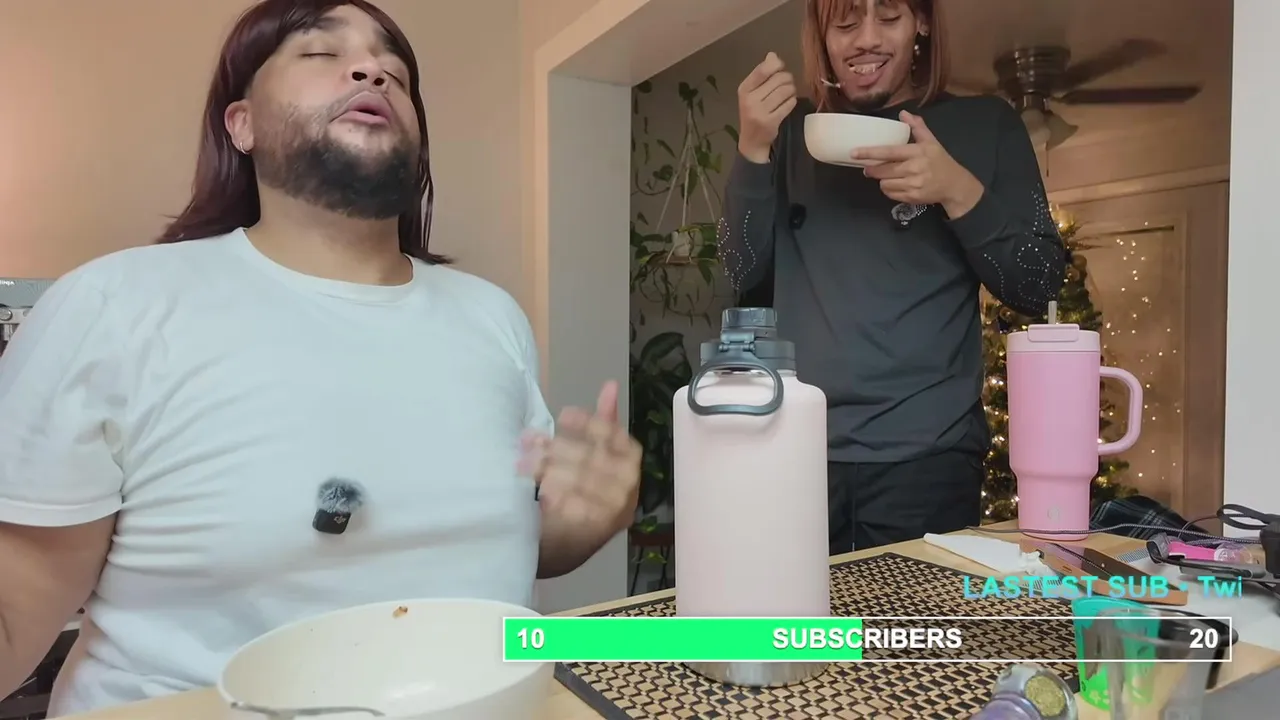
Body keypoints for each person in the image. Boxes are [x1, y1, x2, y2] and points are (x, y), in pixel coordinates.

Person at [0, 0, 641, 714]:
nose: (372, 70)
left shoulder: (493, 317)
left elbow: (487, 557)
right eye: (319, 53)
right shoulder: (115, 305)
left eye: (395, 69)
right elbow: (16, 611)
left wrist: (578, 527)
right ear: (241, 124)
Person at [719, 0, 1065, 553]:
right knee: (796, 613)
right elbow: (741, 272)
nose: (866, 39)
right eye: (845, 22)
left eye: (888, 17)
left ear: (921, 21)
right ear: (821, 34)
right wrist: (752, 147)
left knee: (911, 616)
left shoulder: (987, 125)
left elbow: (1040, 283)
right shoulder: (789, 134)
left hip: (931, 462)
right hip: (797, 451)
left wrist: (957, 190)